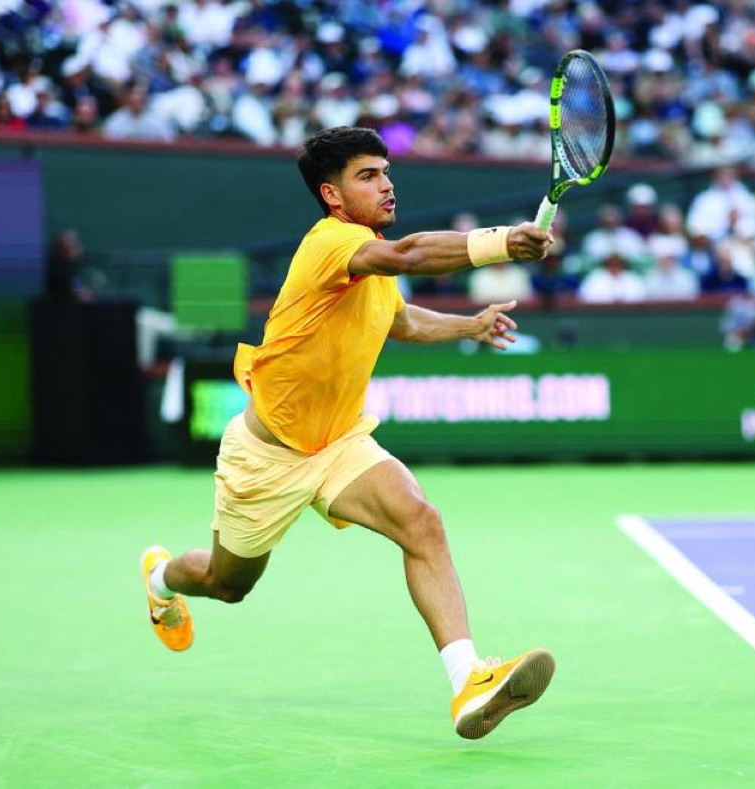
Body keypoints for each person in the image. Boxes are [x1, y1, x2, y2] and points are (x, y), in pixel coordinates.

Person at [138, 127, 555, 741]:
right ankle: (160, 578)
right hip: (267, 456)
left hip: (339, 443)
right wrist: (500, 244)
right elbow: (413, 255)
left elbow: (403, 319)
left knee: (421, 522)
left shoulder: (371, 257)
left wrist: (470, 324)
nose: (386, 184)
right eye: (368, 175)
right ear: (332, 195)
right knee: (228, 585)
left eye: (387, 172)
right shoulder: (332, 245)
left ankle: (469, 680)